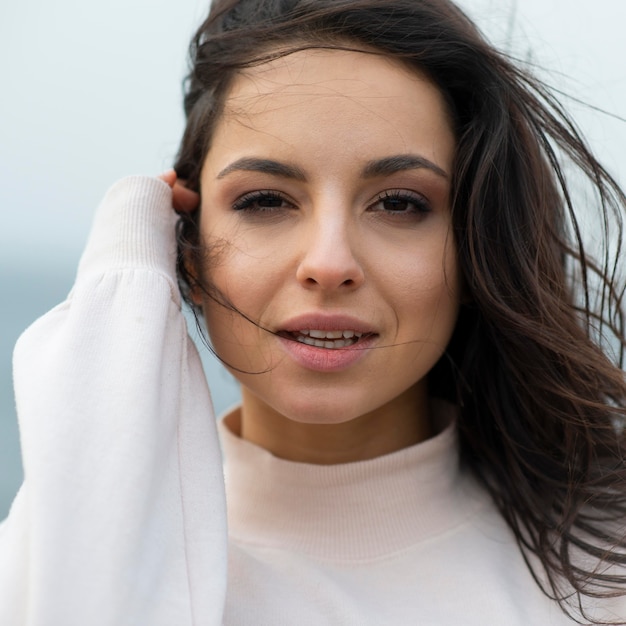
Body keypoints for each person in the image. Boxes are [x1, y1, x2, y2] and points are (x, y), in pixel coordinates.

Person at [1, 0, 625, 624]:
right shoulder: (45, 569)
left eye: (400, 204)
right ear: (185, 251)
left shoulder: (607, 569)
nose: (329, 263)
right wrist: (123, 288)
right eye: (266, 200)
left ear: (475, 251)